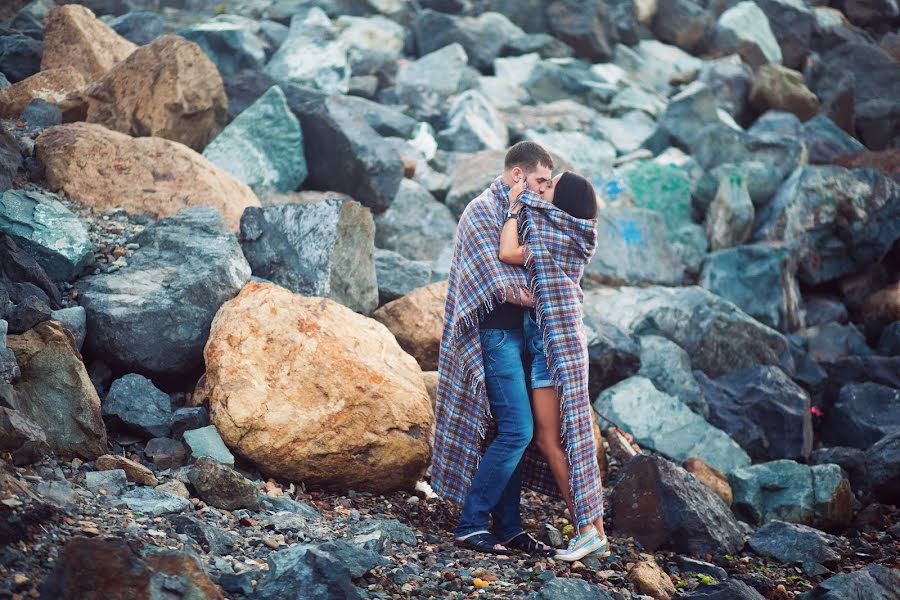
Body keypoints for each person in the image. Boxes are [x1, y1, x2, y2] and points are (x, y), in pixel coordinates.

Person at [431, 141, 556, 555]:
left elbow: (539, 261)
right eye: (539, 180)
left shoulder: (526, 211)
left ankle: (508, 527)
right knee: (518, 430)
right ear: (518, 174)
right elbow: (496, 283)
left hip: (520, 336)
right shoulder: (483, 210)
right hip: (494, 335)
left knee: (512, 432)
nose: (543, 189)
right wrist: (552, 294)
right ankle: (470, 523)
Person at [498, 171, 609, 561]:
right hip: (560, 346)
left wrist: (513, 207)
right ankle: (597, 535)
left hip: (552, 353)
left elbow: (507, 253)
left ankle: (584, 530)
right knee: (573, 441)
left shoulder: (556, 236)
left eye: (548, 187)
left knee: (549, 439)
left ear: (562, 203)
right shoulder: (568, 234)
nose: (540, 190)